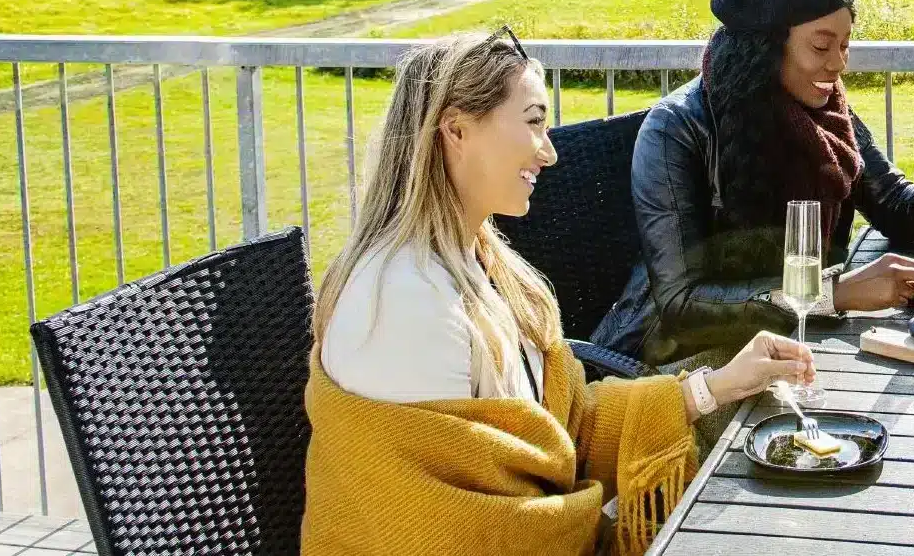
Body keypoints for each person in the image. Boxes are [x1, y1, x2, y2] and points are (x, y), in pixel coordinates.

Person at [302, 29, 816, 556]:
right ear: (456, 129)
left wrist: (718, 385)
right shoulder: (401, 304)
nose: (549, 153)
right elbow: (457, 532)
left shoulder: (480, 264)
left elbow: (564, 425)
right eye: (533, 123)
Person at [596, 0, 914, 367]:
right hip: (673, 363)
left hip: (791, 339)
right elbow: (682, 307)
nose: (839, 65)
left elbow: (890, 201)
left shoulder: (827, 112)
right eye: (821, 47)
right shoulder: (677, 128)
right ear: (766, 47)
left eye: (845, 45)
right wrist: (831, 292)